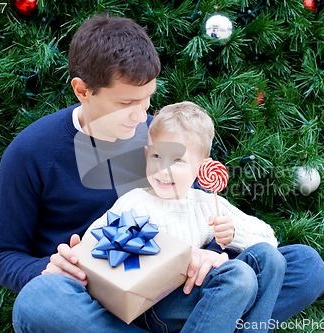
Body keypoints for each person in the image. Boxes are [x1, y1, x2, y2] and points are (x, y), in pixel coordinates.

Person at [0, 14, 324, 333]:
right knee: (38, 301)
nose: (141, 116)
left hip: (177, 290)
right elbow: (0, 256)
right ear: (82, 91)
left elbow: (195, 214)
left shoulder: (160, 136)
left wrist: (215, 254)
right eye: (126, 103)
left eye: (147, 98)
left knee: (304, 266)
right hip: (95, 298)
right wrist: (48, 268)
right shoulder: (31, 152)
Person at [82, 101, 283, 331]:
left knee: (270, 258)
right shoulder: (137, 202)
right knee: (239, 276)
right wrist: (174, 255)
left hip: (199, 295)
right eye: (157, 156)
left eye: (177, 160)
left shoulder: (206, 204)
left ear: (202, 168)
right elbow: (93, 243)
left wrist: (233, 233)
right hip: (154, 305)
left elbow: (269, 239)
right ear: (147, 154)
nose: (163, 169)